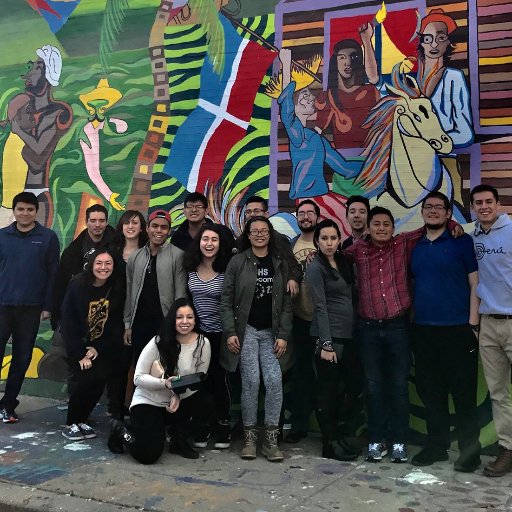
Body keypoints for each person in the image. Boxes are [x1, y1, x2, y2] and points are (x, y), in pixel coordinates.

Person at [343, 206, 461, 463]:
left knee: (398, 386)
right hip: (368, 329)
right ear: (369, 227)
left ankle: (398, 441)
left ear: (393, 227)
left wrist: (452, 224)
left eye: (386, 224)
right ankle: (376, 438)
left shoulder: (402, 243)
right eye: (377, 224)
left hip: (398, 328)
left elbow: (430, 226)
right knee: (373, 387)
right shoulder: (358, 251)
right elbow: (332, 255)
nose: (382, 228)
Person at [410, 191, 480, 472]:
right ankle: (436, 447)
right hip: (424, 331)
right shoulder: (413, 245)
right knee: (431, 393)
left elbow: (475, 284)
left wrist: (473, 323)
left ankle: (469, 452)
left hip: (458, 330)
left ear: (449, 213)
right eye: (428, 207)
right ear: (423, 212)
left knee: (463, 395)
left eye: (439, 207)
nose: (433, 211)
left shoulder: (463, 242)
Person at [221, 216, 293, 462]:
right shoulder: (237, 262)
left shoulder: (280, 262)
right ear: (248, 236)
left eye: (264, 231)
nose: (260, 235)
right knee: (251, 381)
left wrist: (283, 336)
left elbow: (286, 304)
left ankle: (270, 440)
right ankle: (250, 438)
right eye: (255, 231)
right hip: (247, 330)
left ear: (270, 234)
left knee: (274, 380)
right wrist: (231, 331)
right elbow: (226, 299)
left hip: (271, 332)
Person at [111, 298, 212, 464]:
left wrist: (177, 394)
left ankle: (178, 439)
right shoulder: (159, 341)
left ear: (195, 319)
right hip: (150, 400)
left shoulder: (202, 343)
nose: (185, 322)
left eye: (189, 317)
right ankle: (120, 431)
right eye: (179, 317)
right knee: (148, 454)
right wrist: (165, 384)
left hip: (178, 401)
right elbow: (138, 378)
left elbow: (199, 378)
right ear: (172, 319)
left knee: (206, 401)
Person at [0, 192, 60, 423]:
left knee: (22, 358)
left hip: (31, 308)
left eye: (30, 210)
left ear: (37, 212)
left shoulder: (47, 238)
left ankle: (8, 404)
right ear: (14, 211)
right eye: (21, 209)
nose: (25, 214)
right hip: (2, 306)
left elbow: (53, 275)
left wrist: (48, 306)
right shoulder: (2, 236)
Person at [306, 219, 360, 461]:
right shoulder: (315, 267)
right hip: (329, 338)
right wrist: (325, 344)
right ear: (317, 241)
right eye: (324, 238)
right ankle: (329, 443)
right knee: (327, 391)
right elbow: (319, 306)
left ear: (339, 240)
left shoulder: (344, 261)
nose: (329, 243)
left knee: (351, 386)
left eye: (333, 238)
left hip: (349, 336)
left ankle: (339, 436)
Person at [470, 184, 512, 477]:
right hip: (488, 324)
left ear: (498, 204)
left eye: (488, 202)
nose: (483, 206)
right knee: (498, 393)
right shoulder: (473, 233)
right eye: (478, 203)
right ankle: (508, 449)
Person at [60, 248, 125, 440]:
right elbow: (68, 321)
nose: (103, 268)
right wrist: (80, 353)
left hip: (99, 345)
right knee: (82, 381)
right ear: (91, 265)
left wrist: (98, 348)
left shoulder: (115, 288)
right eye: (99, 263)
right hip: (77, 344)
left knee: (99, 380)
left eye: (108, 263)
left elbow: (114, 323)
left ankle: (82, 420)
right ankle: (72, 423)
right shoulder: (79, 285)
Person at [184, 224, 234, 449]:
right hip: (198, 336)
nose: (209, 244)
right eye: (205, 239)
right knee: (199, 381)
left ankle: (223, 426)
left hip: (221, 334)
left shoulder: (227, 269)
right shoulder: (190, 268)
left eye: (214, 239)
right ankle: (201, 427)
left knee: (219, 380)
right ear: (199, 242)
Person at [124, 210, 187, 364]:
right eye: (155, 226)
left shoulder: (178, 256)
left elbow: (181, 295)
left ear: (169, 231)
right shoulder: (135, 257)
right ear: (147, 228)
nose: (159, 231)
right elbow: (129, 293)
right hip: (139, 325)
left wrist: (176, 325)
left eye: (164, 227)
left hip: (165, 323)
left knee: (164, 367)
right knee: (141, 366)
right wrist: (128, 325)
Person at [52, 204, 120, 330]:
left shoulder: (118, 246)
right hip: (80, 309)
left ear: (107, 222)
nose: (97, 224)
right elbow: (61, 283)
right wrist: (56, 314)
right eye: (93, 221)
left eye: (101, 220)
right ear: (86, 222)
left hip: (110, 310)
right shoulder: (73, 251)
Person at [285, 200, 319, 443]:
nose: (306, 217)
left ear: (318, 216)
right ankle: (299, 425)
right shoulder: (290, 245)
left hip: (325, 321)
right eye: (302, 213)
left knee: (329, 377)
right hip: (299, 321)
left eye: (310, 213)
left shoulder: (327, 241)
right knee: (301, 375)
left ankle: (330, 426)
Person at [315, 25, 380, 149]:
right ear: (336, 62)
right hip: (343, 162)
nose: (348, 62)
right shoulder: (328, 97)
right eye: (342, 58)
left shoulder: (370, 92)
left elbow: (374, 78)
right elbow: (316, 131)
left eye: (353, 57)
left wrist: (366, 41)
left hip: (372, 159)